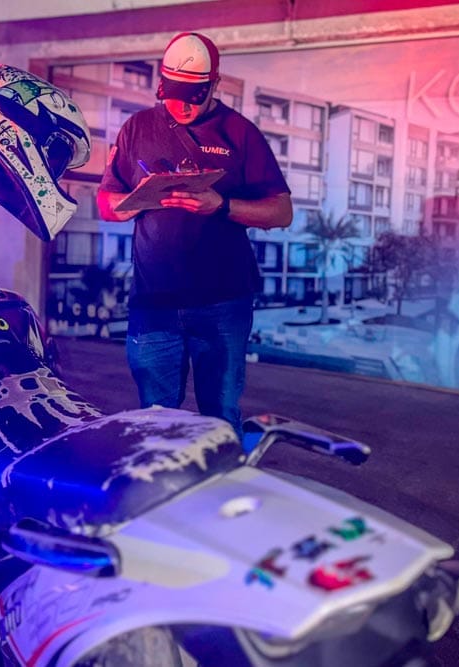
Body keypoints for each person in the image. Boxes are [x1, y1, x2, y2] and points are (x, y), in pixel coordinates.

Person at [96, 31, 293, 438]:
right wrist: (138, 200)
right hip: (154, 304)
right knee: (155, 423)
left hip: (223, 303)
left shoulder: (239, 133)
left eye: (194, 96)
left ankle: (222, 480)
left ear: (214, 84)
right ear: (162, 83)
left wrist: (221, 205)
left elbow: (282, 212)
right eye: (174, 94)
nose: (182, 106)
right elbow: (105, 203)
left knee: (219, 420)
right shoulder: (137, 128)